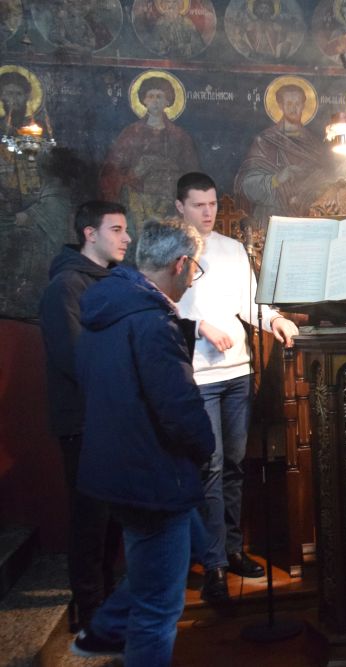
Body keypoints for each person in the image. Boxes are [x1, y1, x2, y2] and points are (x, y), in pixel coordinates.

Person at [71, 218, 215, 665]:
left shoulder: (107, 304)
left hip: (115, 465)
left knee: (186, 549)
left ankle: (104, 631)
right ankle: (112, 633)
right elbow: (178, 408)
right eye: (195, 269)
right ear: (181, 264)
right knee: (158, 610)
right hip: (151, 476)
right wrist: (205, 448)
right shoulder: (152, 322)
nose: (192, 279)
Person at [174, 172, 299, 603]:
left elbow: (251, 302)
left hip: (237, 372)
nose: (208, 212)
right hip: (199, 376)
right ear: (180, 207)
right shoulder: (172, 250)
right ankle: (212, 565)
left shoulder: (231, 249)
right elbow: (164, 307)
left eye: (212, 203)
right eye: (198, 205)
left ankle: (231, 549)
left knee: (234, 465)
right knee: (208, 467)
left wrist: (275, 319)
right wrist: (199, 327)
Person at [39, 201, 130, 632]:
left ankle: (107, 603)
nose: (126, 238)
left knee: (111, 520)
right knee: (90, 520)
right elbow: (76, 358)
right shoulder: (65, 287)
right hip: (84, 421)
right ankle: (91, 611)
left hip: (113, 418)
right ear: (89, 234)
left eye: (125, 229)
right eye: (116, 229)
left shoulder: (113, 280)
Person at [99, 74, 200, 233]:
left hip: (169, 200)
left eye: (160, 96)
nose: (155, 101)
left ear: (167, 101)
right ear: (144, 100)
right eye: (151, 96)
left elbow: (191, 172)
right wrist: (131, 177)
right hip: (137, 198)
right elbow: (113, 168)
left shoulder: (180, 136)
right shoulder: (131, 133)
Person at [234, 81, 328, 228]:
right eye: (289, 103)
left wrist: (313, 186)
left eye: (297, 103)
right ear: (280, 105)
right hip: (272, 219)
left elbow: (326, 182)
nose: (293, 108)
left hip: (307, 220)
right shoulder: (265, 141)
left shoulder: (314, 144)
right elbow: (247, 186)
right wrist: (277, 179)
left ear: (303, 105)